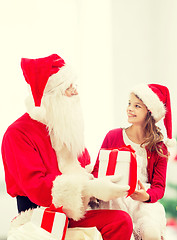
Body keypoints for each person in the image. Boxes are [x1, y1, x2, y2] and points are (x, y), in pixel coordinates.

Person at [1, 54, 133, 240]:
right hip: (39, 216)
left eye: (75, 85)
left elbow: (86, 168)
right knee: (120, 221)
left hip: (75, 212)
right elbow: (37, 188)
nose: (76, 92)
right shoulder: (18, 133)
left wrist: (117, 182)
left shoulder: (65, 127)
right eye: (68, 88)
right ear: (50, 96)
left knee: (125, 217)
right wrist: (89, 188)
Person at [92, 84, 175, 240]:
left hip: (141, 202)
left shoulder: (159, 148)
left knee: (151, 232)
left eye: (137, 106)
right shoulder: (113, 136)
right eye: (129, 103)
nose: (130, 108)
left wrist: (145, 196)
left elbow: (159, 187)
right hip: (114, 198)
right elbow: (97, 170)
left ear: (150, 112)